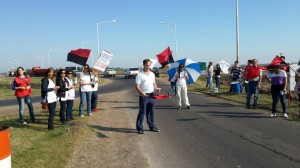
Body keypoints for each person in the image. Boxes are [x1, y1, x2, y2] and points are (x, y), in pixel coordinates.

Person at [135, 59, 160, 134]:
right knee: (142, 112)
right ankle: (139, 128)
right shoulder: (140, 74)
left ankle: (152, 126)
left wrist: (156, 88)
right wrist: (141, 93)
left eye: (149, 65)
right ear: (143, 65)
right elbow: (137, 86)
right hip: (144, 96)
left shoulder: (152, 74)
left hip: (151, 95)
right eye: (147, 65)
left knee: (151, 112)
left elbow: (154, 83)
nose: (148, 67)